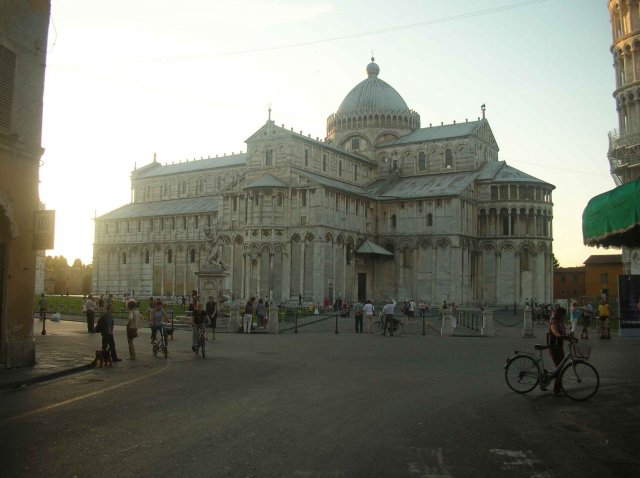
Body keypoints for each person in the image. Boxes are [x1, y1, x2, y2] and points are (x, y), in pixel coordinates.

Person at [547, 306, 568, 396]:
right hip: (554, 348)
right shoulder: (554, 322)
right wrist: (559, 335)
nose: (565, 317)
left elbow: (563, 333)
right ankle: (556, 390)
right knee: (559, 368)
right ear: (560, 315)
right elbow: (554, 331)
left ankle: (549, 376)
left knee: (560, 367)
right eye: (564, 315)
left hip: (560, 347)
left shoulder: (561, 322)